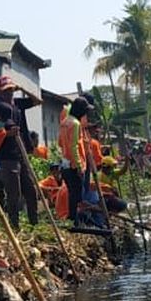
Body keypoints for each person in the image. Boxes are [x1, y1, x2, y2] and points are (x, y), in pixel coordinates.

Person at [0, 76, 42, 227]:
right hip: (7, 156)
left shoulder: (18, 104)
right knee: (14, 194)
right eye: (6, 90)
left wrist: (23, 89)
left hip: (22, 153)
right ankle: (15, 226)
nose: (9, 93)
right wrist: (7, 134)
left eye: (11, 89)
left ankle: (34, 224)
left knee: (30, 190)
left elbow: (38, 101)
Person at [58, 96, 91, 224]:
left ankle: (73, 219)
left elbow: (60, 143)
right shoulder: (75, 124)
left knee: (72, 193)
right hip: (74, 164)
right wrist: (78, 165)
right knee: (77, 195)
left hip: (65, 163)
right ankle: (74, 220)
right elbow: (74, 146)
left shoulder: (64, 122)